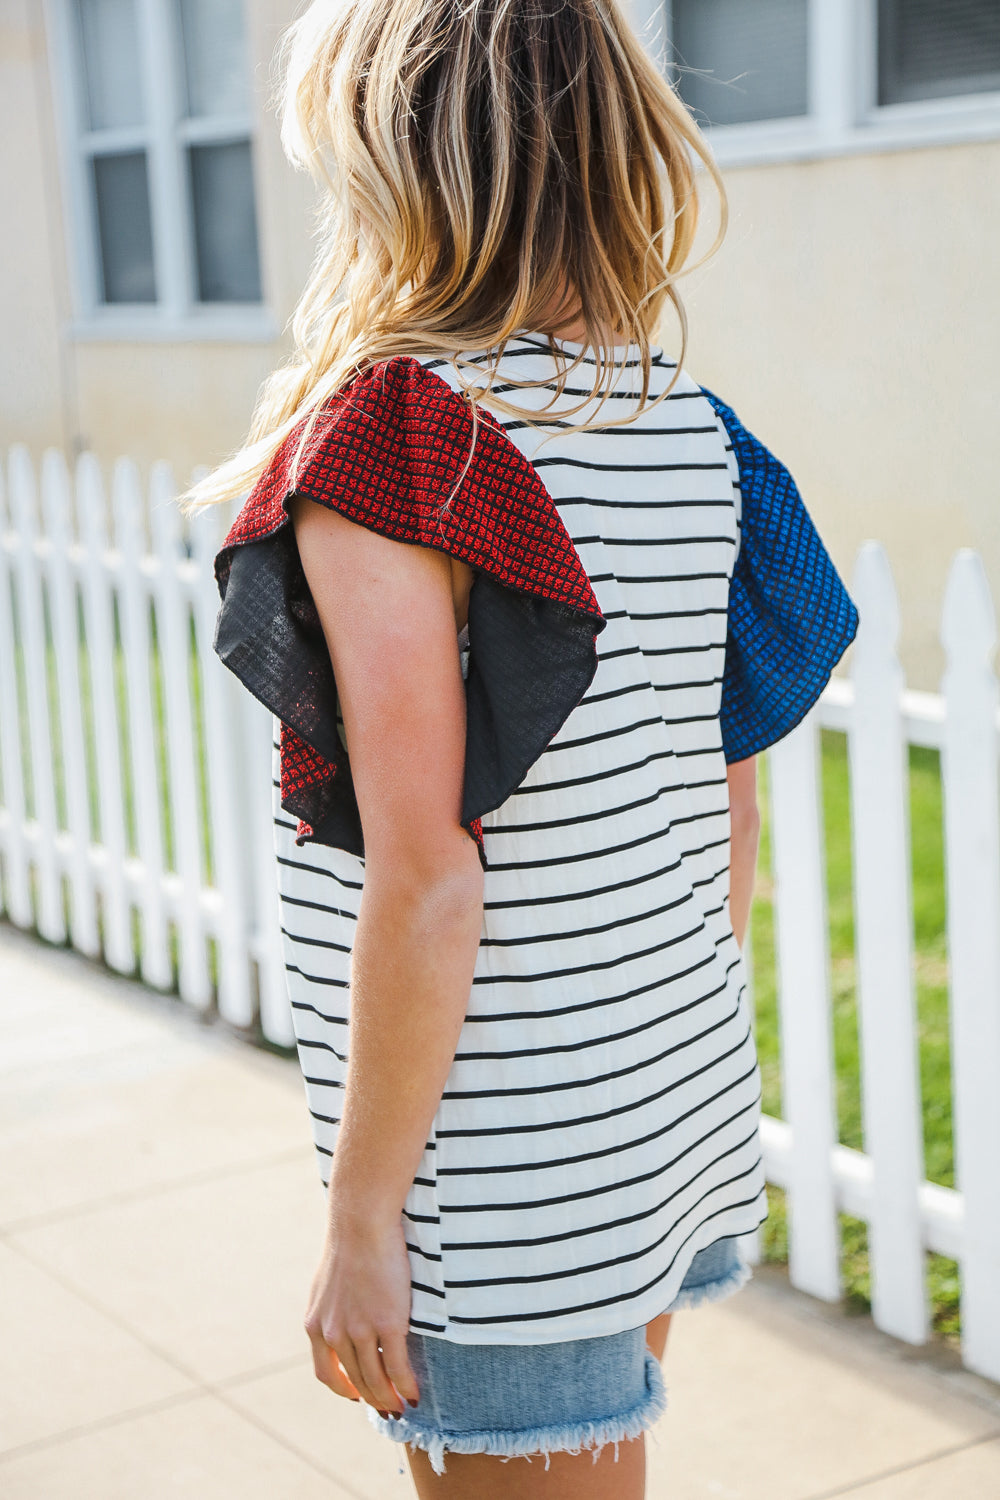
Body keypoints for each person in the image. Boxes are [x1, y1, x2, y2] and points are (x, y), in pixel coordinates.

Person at [185, 0, 858, 1493]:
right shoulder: (687, 427)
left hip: (505, 1160)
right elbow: (720, 794)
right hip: (654, 1085)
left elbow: (427, 875)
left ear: (391, 157)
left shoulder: (398, 442)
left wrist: (363, 1223)